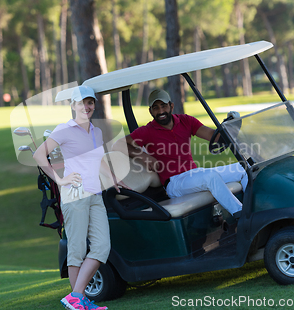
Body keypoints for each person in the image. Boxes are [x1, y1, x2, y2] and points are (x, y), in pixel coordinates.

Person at [33, 85, 127, 310]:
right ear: (73, 105)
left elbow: (99, 159)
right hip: (74, 194)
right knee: (76, 250)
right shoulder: (64, 130)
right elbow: (39, 155)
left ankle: (76, 296)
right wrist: (59, 180)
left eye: (90, 102)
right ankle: (80, 301)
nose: (86, 107)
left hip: (95, 194)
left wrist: (113, 178)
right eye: (81, 103)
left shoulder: (96, 131)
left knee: (102, 247)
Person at [114, 89, 247, 217]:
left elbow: (215, 137)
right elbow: (118, 144)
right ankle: (241, 214)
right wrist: (143, 155)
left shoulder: (186, 121)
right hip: (174, 182)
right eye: (155, 108)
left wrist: (233, 125)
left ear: (171, 106)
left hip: (194, 174)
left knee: (244, 168)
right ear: (150, 111)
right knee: (210, 176)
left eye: (163, 106)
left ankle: (253, 207)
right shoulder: (147, 131)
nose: (160, 111)